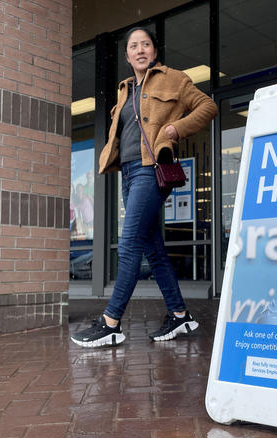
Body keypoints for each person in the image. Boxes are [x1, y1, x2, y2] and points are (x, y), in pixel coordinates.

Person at [71, 27, 217, 347]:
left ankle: (111, 322)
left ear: (154, 51)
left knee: (130, 243)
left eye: (146, 45)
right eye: (134, 46)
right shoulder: (125, 90)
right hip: (128, 173)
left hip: (151, 171)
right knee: (154, 248)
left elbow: (208, 107)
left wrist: (176, 129)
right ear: (127, 56)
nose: (140, 50)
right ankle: (180, 316)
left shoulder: (173, 79)